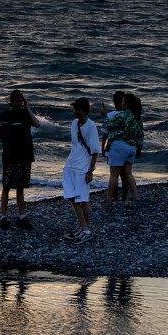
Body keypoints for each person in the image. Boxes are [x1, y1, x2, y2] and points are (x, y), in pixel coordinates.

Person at [0, 90, 38, 230]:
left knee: (21, 187)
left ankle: (22, 216)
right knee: (6, 186)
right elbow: (0, 136)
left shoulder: (26, 114)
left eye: (21, 101)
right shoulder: (4, 116)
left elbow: (37, 124)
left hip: (25, 155)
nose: (19, 103)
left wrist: (28, 107)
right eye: (17, 101)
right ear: (11, 101)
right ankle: (3, 216)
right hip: (10, 156)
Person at [63, 97, 102, 243]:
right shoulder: (74, 123)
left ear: (84, 111)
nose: (74, 112)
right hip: (71, 164)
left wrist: (90, 171)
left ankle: (86, 230)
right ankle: (84, 229)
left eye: (77, 109)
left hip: (82, 168)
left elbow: (95, 150)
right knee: (73, 198)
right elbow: (75, 145)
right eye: (74, 109)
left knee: (82, 200)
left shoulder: (91, 126)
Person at [104, 93, 145, 202]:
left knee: (114, 175)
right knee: (128, 173)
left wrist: (105, 115)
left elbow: (108, 126)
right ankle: (136, 196)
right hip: (132, 147)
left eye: (122, 102)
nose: (121, 104)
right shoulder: (137, 117)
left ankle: (109, 198)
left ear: (127, 104)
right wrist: (139, 149)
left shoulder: (121, 115)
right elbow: (140, 135)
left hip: (119, 146)